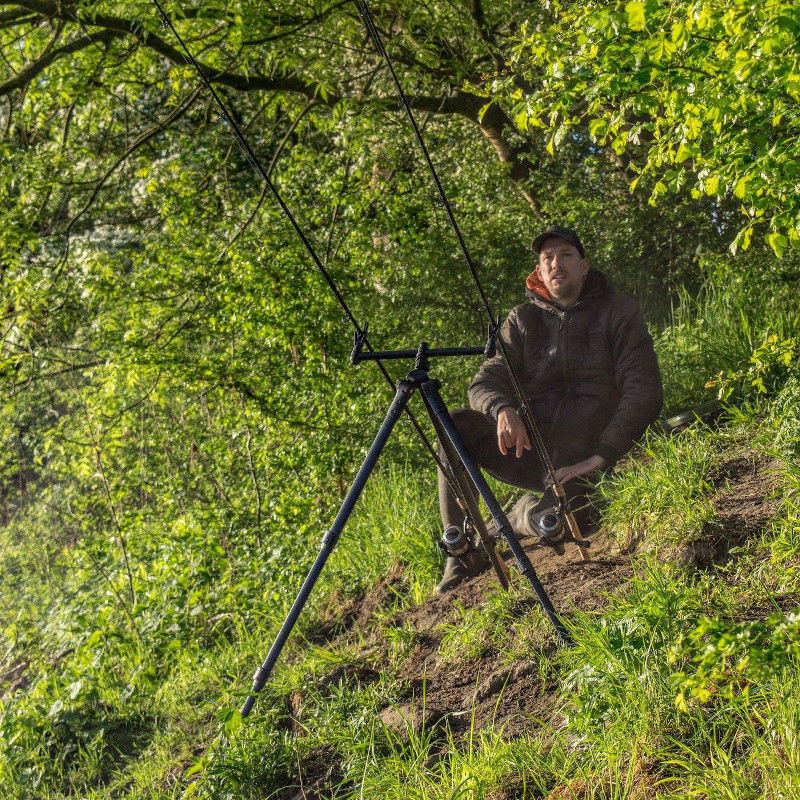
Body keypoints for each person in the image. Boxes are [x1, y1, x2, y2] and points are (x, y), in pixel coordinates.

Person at [436, 225, 663, 593]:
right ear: (539, 272)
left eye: (566, 255)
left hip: (586, 457)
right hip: (528, 450)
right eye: (547, 259)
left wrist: (602, 455)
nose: (557, 264)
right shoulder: (521, 320)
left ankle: (517, 515)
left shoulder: (619, 313)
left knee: (552, 519)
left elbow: (645, 391)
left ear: (584, 265)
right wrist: (503, 409)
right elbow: (483, 383)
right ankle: (460, 553)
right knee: (454, 426)